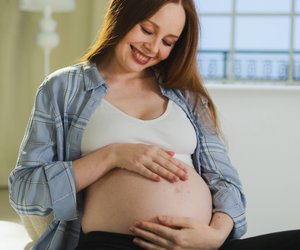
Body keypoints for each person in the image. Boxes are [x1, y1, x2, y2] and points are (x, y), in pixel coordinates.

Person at [8, 0, 300, 249]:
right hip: (116, 242)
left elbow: (226, 184)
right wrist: (113, 155)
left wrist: (215, 234)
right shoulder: (65, 87)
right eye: (147, 30)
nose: (153, 47)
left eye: (168, 42)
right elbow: (24, 192)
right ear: (122, 16)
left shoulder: (186, 97)